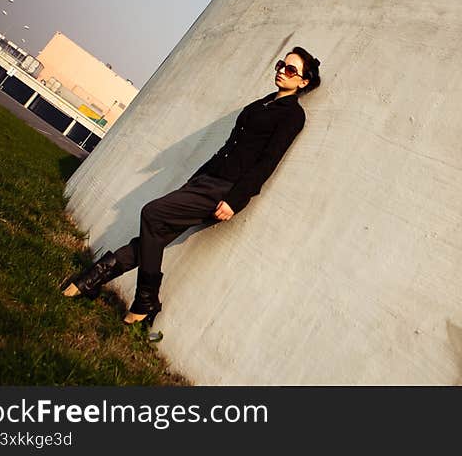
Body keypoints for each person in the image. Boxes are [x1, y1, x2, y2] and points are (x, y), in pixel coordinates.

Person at [61, 46, 321, 326]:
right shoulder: (264, 102)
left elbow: (267, 163)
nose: (282, 71)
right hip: (206, 179)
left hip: (224, 190)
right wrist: (197, 178)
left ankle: (145, 298)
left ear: (303, 81)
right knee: (155, 237)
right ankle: (93, 279)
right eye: (282, 64)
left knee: (152, 213)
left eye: (291, 70)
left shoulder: (292, 115)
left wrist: (236, 200)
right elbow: (230, 146)